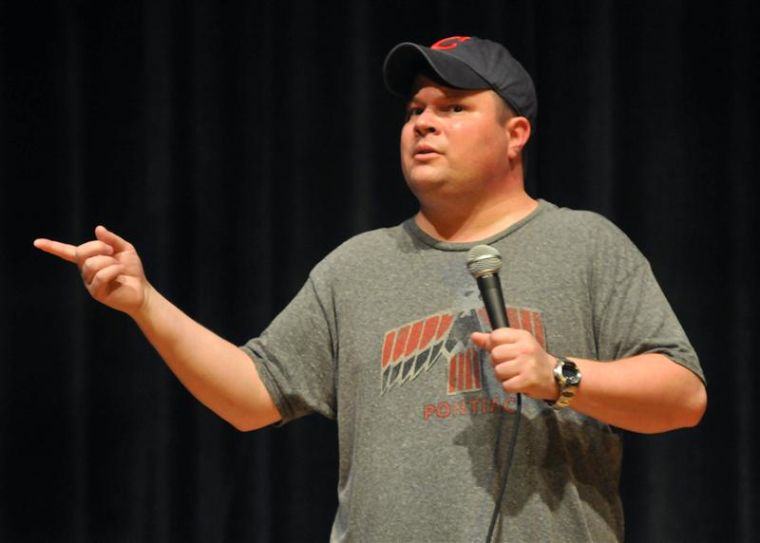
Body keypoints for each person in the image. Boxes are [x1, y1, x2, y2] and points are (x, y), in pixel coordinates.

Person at [34, 36, 706, 542]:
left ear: (515, 135)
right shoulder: (355, 266)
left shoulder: (587, 245)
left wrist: (559, 374)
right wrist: (144, 302)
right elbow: (249, 397)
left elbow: (683, 395)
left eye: (454, 107)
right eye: (416, 108)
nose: (424, 122)